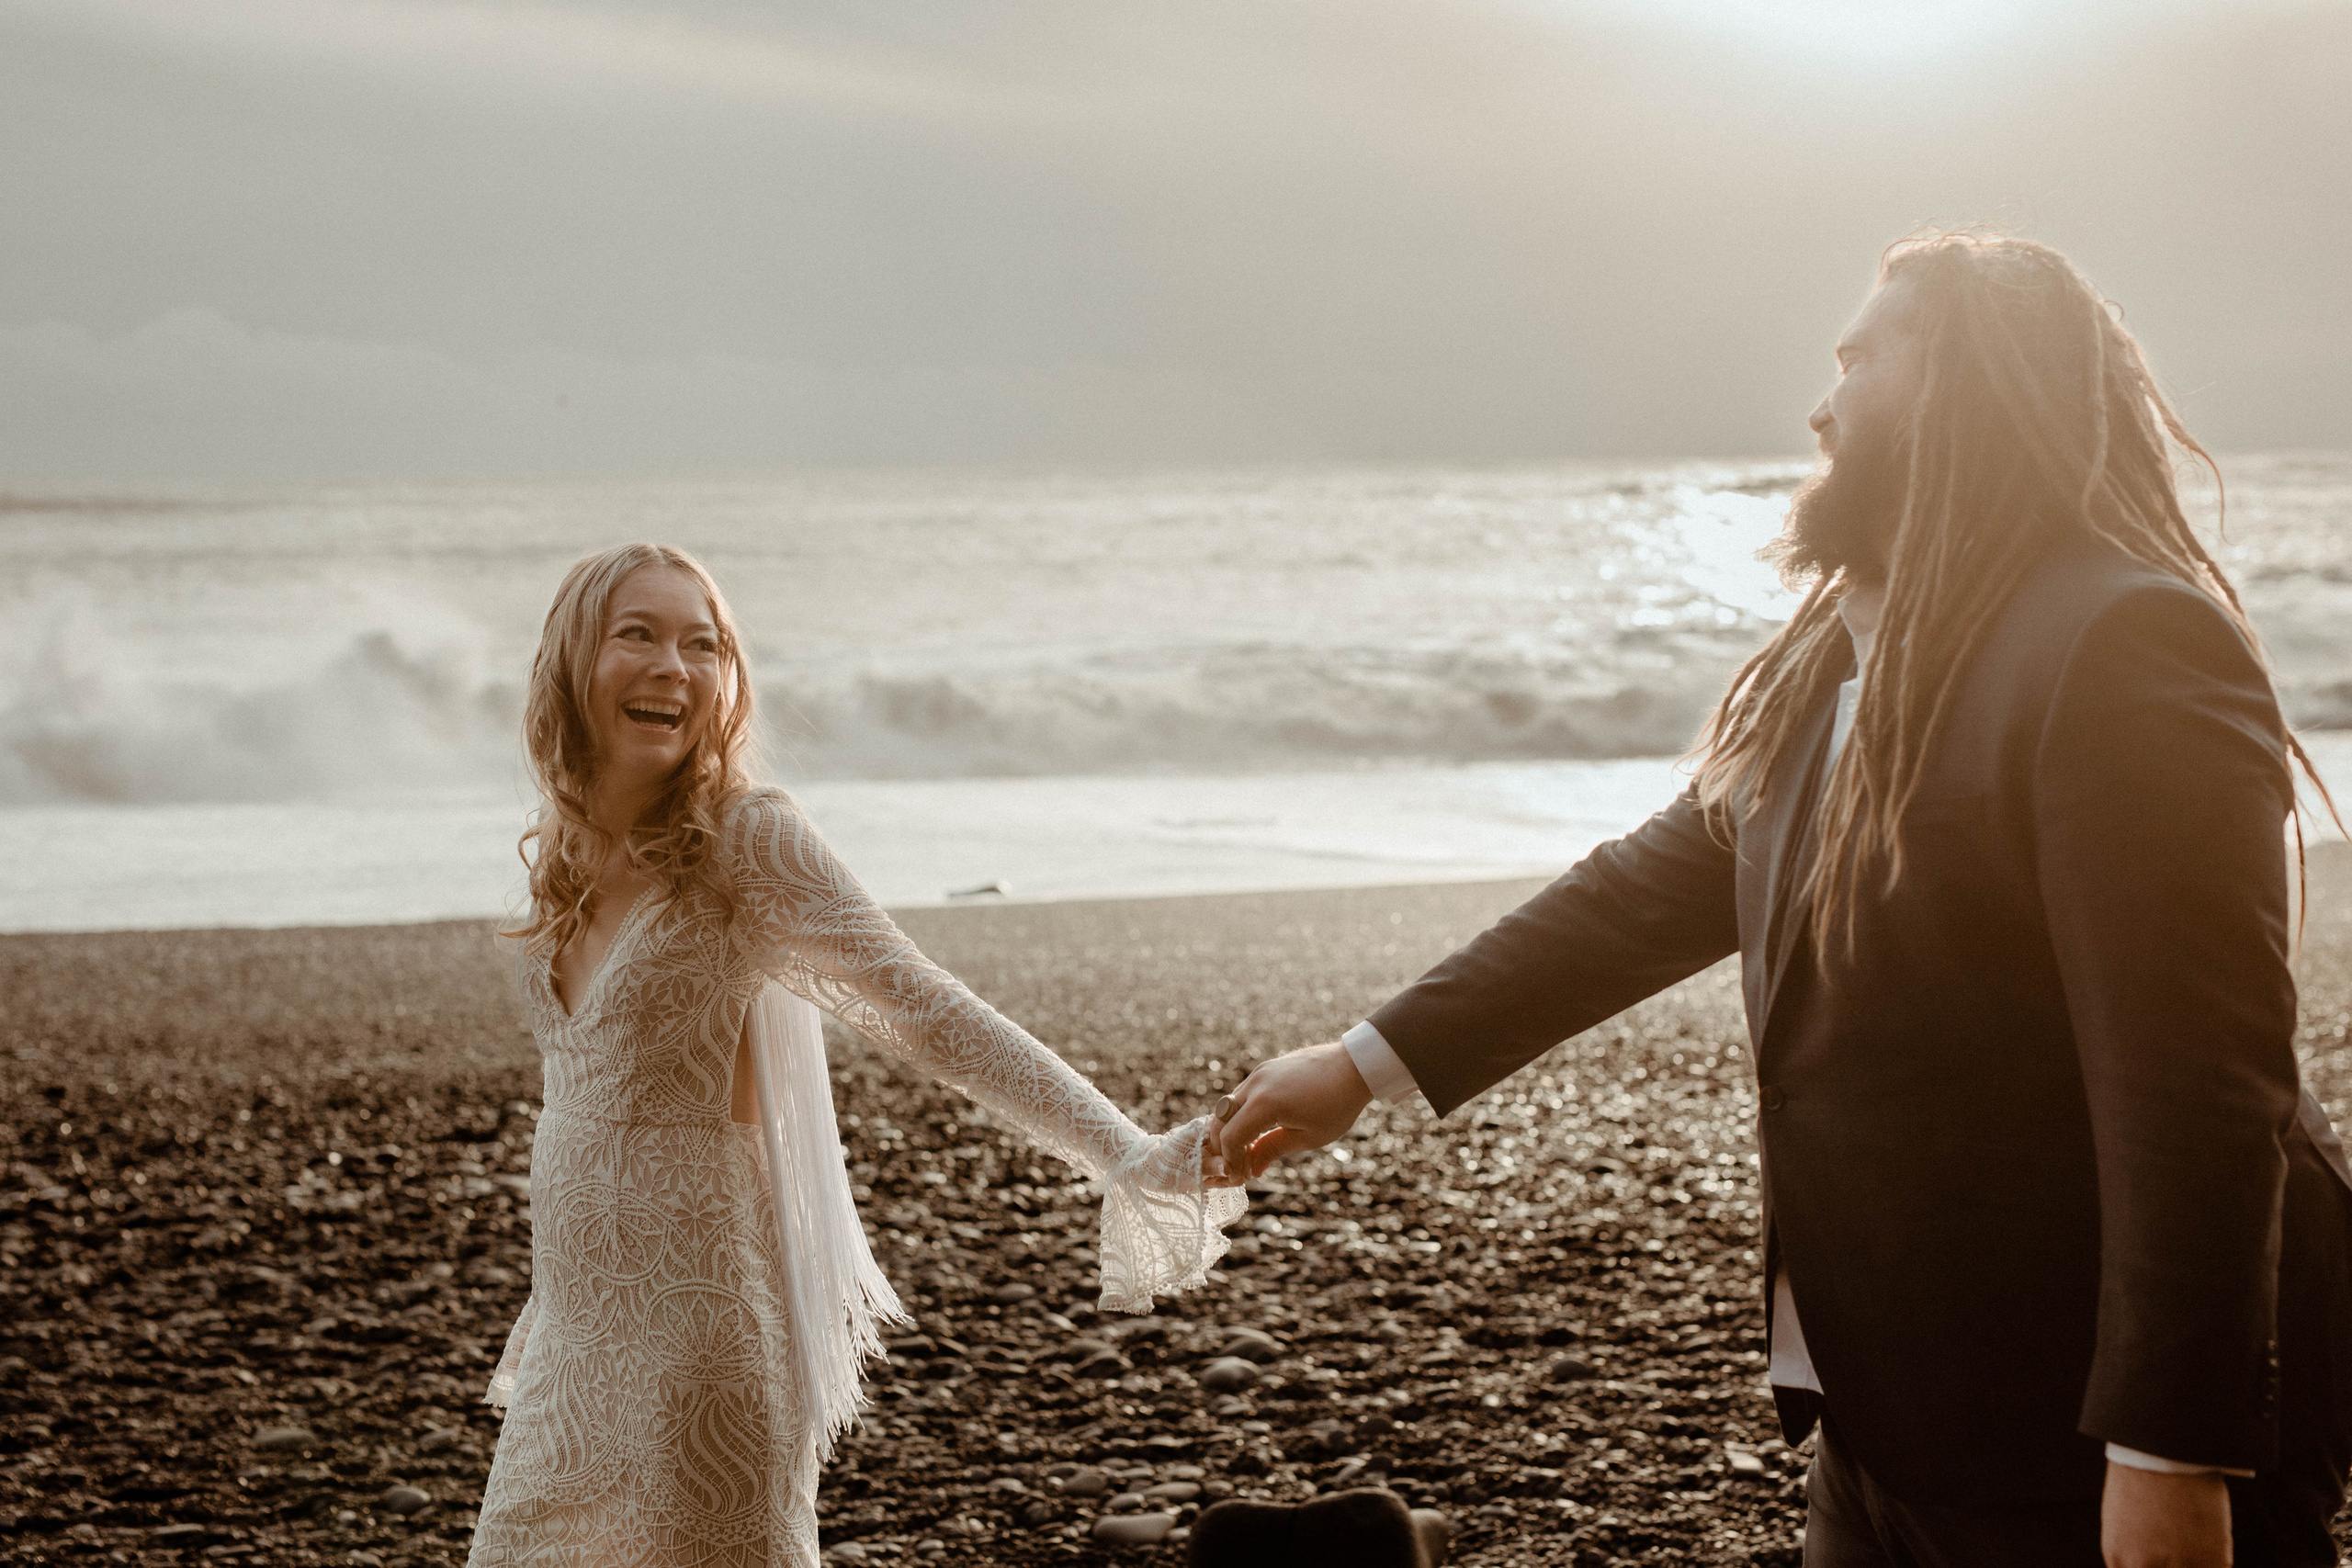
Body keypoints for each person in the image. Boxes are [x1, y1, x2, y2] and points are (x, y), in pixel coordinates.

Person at [1201, 232, 2352, 1566]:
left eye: (1865, 358)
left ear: (1974, 387)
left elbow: (2198, 1091)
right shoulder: (1855, 640)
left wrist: (2172, 1454)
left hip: (2093, 1413)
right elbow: (1665, 877)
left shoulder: (2123, 642)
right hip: (1894, 1399)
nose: (1823, 403)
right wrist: (1365, 1061)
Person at [469, 542, 1243, 1567]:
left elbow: (929, 1011)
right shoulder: (559, 851)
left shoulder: (747, 839)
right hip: (575, 1325)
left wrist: (1126, 1152)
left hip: (705, 1331)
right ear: (571, 662)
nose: (677, 668)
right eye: (639, 636)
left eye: (705, 645)